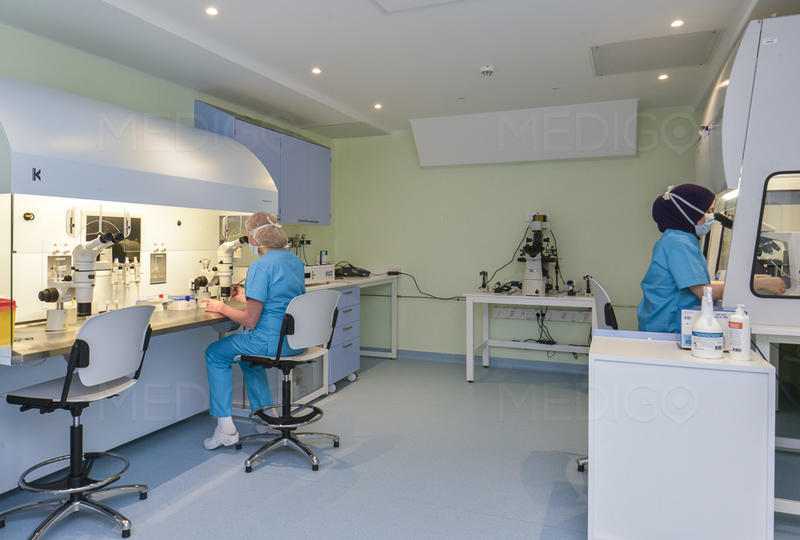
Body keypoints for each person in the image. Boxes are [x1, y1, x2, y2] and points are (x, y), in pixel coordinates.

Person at [200, 212, 306, 450]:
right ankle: (264, 417)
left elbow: (250, 320)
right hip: (293, 341)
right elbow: (281, 301)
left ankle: (225, 428)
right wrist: (246, 298)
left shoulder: (260, 266)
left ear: (253, 238)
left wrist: (222, 307)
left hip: (269, 342)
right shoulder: (294, 261)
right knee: (249, 361)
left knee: (215, 353)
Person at [637, 184, 786, 334]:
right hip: (667, 328)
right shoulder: (679, 243)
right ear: (690, 213)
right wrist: (756, 284)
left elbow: (699, 283)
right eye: (707, 211)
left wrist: (750, 281)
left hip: (664, 323)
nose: (711, 217)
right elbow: (703, 291)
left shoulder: (678, 238)